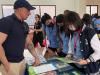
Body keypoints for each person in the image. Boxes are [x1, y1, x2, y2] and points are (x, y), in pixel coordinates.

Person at [0, 0, 40, 75]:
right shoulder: (6, 21)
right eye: (28, 10)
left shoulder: (24, 25)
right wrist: (7, 65)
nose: (30, 13)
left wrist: (36, 57)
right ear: (19, 9)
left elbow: (29, 43)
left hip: (22, 61)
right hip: (10, 64)